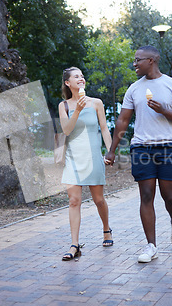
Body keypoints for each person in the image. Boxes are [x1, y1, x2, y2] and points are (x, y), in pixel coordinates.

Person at [105, 46, 172, 263]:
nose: (134, 64)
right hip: (142, 147)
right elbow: (123, 121)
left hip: (167, 147)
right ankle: (151, 246)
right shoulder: (134, 89)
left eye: (138, 60)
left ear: (151, 60)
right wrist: (112, 149)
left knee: (169, 196)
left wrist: (165, 111)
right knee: (146, 195)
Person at [59, 67, 113, 261]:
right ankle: (74, 245)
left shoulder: (96, 103)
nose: (81, 78)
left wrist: (110, 150)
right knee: (74, 201)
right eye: (76, 76)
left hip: (93, 158)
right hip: (73, 159)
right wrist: (77, 111)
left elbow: (105, 129)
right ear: (68, 83)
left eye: (82, 76)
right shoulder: (63, 105)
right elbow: (66, 130)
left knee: (99, 200)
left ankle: (106, 229)